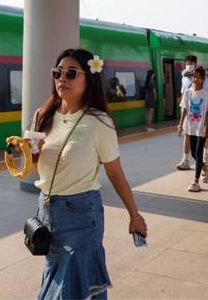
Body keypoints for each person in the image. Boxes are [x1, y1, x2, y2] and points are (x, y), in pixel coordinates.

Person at [32, 48, 147, 300]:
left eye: (71, 73)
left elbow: (116, 174)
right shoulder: (42, 116)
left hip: (82, 214)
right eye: (58, 72)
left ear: (89, 79)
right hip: (47, 211)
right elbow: (36, 169)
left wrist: (134, 215)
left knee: (68, 288)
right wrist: (32, 154)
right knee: (66, 280)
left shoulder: (99, 122)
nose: (62, 78)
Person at [178, 67, 208, 192]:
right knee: (193, 153)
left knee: (198, 153)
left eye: (198, 77)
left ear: (203, 79)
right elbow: (185, 109)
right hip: (190, 127)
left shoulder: (207, 94)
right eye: (194, 77)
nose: (196, 79)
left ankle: (196, 181)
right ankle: (204, 168)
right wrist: (180, 124)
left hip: (201, 128)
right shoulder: (188, 92)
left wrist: (207, 127)